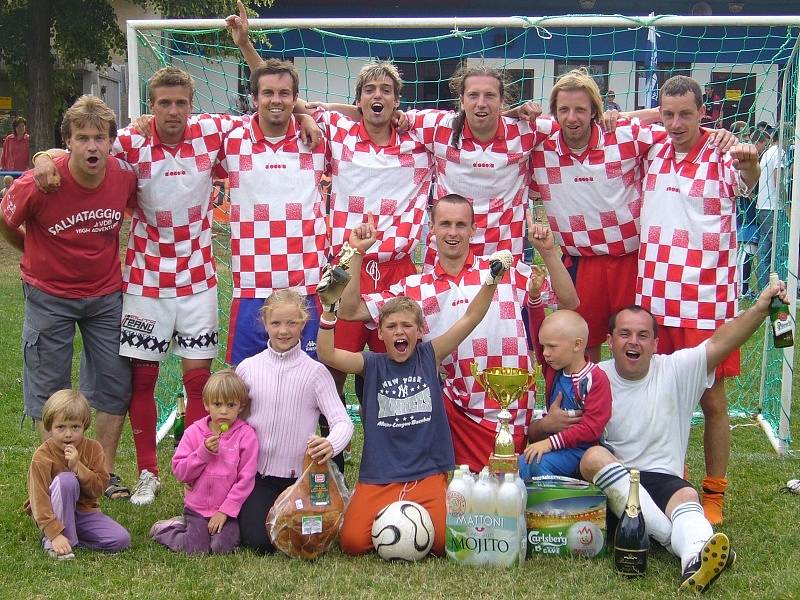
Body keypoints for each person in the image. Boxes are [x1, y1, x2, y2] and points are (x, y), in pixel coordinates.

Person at [337, 194, 579, 472]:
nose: (453, 232)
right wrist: (357, 252)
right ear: (432, 228)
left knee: (509, 501)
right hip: (455, 414)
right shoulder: (416, 287)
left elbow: (568, 301)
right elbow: (350, 310)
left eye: (461, 225)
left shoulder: (504, 270)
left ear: (473, 229)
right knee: (462, 503)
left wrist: (548, 252)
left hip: (513, 412)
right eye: (445, 224)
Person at [580, 278, 789, 592]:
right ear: (610, 340)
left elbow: (723, 341)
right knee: (592, 458)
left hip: (663, 479)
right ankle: (680, 540)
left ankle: (694, 559)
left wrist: (760, 308)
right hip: (615, 484)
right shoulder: (593, 377)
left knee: (687, 497)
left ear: (655, 344)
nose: (632, 342)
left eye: (642, 335)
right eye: (624, 334)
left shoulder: (676, 369)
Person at [316, 244, 511, 556]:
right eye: (391, 326)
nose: (399, 332)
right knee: (352, 543)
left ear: (421, 331)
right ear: (379, 333)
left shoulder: (428, 355)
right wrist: (328, 313)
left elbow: (471, 318)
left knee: (444, 544)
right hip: (379, 476)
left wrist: (491, 280)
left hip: (426, 473)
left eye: (407, 325)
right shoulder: (373, 364)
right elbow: (326, 354)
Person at [637, 75, 760, 524]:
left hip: (706, 300)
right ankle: (671, 483)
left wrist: (749, 162)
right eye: (667, 114)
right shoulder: (650, 147)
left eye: (685, 114)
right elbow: (611, 122)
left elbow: (749, 178)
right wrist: (653, 117)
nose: (675, 123)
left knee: (712, 401)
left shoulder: (723, 151)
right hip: (654, 296)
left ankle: (714, 493)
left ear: (703, 111)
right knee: (661, 398)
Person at [1, 96, 137, 499]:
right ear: (69, 142)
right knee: (49, 388)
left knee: (114, 382)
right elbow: (7, 220)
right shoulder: (40, 181)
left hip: (105, 294)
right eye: (82, 138)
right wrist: (30, 251)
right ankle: (55, 476)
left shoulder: (123, 177)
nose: (92, 146)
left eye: (99, 138)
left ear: (111, 142)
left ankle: (102, 474)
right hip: (49, 295)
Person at [234, 289, 354, 553]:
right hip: (258, 476)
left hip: (301, 480)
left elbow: (343, 423)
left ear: (304, 323)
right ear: (264, 323)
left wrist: (331, 444)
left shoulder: (315, 373)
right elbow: (232, 420)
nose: (283, 331)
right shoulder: (248, 368)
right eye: (276, 323)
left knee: (309, 541)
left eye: (292, 323)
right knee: (258, 542)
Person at [406, 64, 556, 267]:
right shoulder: (437, 127)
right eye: (473, 95)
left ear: (502, 101)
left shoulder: (526, 131)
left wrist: (611, 118)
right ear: (461, 100)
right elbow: (378, 115)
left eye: (490, 96)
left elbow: (575, 123)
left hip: (503, 259)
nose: (481, 103)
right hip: (446, 260)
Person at [150, 369, 258, 555]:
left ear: (240, 407)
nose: (224, 411)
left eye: (231, 405)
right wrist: (203, 453)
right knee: (196, 549)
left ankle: (217, 531)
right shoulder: (194, 432)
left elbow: (246, 478)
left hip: (227, 511)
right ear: (207, 405)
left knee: (221, 547)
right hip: (197, 508)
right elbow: (180, 471)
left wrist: (225, 511)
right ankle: (167, 529)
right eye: (217, 404)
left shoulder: (246, 435)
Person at [25, 390, 131, 560]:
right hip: (54, 514)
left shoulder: (94, 449)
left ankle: (70, 536)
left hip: (84, 512)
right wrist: (53, 532)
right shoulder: (42, 456)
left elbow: (97, 490)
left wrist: (78, 467)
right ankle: (56, 539)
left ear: (84, 426)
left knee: (121, 540)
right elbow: (38, 499)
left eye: (75, 427)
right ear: (49, 428)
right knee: (66, 481)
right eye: (60, 427)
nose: (68, 434)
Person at [519, 303, 611, 479]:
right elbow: (541, 330)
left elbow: (592, 428)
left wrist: (549, 443)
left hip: (581, 451)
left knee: (536, 464)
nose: (545, 353)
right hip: (556, 447)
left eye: (552, 347)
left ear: (577, 345)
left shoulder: (595, 378)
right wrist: (534, 299)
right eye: (543, 346)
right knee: (522, 463)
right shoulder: (554, 370)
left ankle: (557, 504)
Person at [754, 127, 783, 291]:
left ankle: (763, 288)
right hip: (773, 208)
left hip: (762, 207)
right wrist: (787, 206)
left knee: (764, 251)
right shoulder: (779, 153)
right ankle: (778, 289)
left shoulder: (767, 153)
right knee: (779, 252)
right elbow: (778, 180)